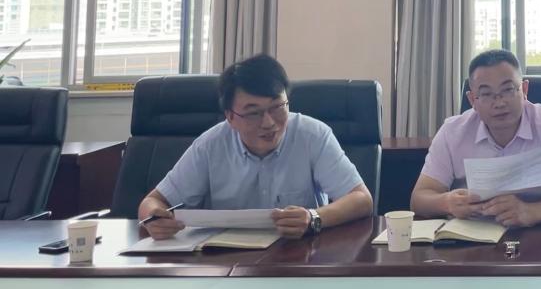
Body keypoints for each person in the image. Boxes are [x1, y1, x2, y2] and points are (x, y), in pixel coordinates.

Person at [138, 54, 373, 239]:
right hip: (226, 261)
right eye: (253, 113)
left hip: (299, 256)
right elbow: (152, 202)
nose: (269, 122)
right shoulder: (210, 146)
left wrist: (314, 217)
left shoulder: (313, 136)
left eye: (277, 107)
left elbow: (361, 199)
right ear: (230, 117)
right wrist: (154, 219)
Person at [411, 49, 541, 227]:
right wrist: (447, 203)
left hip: (540, 233)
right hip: (473, 237)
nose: (499, 103)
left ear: (524, 89)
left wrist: (532, 212)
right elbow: (419, 198)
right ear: (472, 100)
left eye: (508, 90)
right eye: (486, 94)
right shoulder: (452, 132)